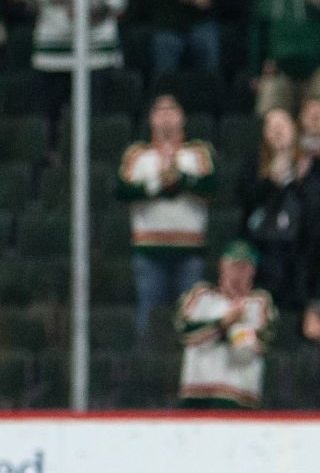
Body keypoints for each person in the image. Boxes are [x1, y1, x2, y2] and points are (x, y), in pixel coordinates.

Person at [120, 93, 217, 343]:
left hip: (190, 249)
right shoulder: (137, 154)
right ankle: (144, 366)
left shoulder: (198, 152)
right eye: (160, 111)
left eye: (172, 110)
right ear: (151, 119)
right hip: (148, 250)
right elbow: (124, 193)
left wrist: (180, 178)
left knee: (190, 317)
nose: (166, 116)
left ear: (182, 117)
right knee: (148, 316)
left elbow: (210, 188)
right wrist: (158, 183)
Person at [176, 242, 275, 409]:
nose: (237, 272)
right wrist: (222, 323)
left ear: (252, 270)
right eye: (233, 265)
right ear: (222, 265)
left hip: (240, 393)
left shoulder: (260, 302)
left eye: (243, 267)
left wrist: (236, 328)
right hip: (198, 391)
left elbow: (264, 340)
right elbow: (185, 333)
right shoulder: (201, 295)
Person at [241, 108, 320, 313]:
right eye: (271, 126)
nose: (277, 130)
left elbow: (313, 210)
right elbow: (248, 202)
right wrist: (273, 181)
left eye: (282, 124)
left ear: (294, 129)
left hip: (302, 251)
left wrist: (299, 182)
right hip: (264, 249)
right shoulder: (253, 167)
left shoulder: (312, 167)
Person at [251, 0, 320, 116]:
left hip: (316, 65)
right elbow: (257, 34)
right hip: (279, 67)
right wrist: (256, 72)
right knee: (268, 115)